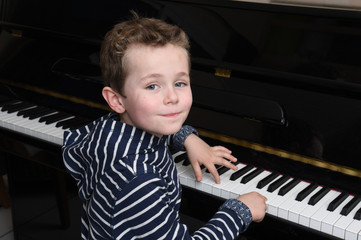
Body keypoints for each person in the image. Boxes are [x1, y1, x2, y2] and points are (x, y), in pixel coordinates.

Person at [62, 12, 267, 240]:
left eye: (179, 83)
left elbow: (150, 124)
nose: (172, 97)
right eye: (152, 86)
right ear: (117, 100)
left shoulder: (110, 129)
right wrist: (239, 212)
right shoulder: (138, 180)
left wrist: (188, 138)